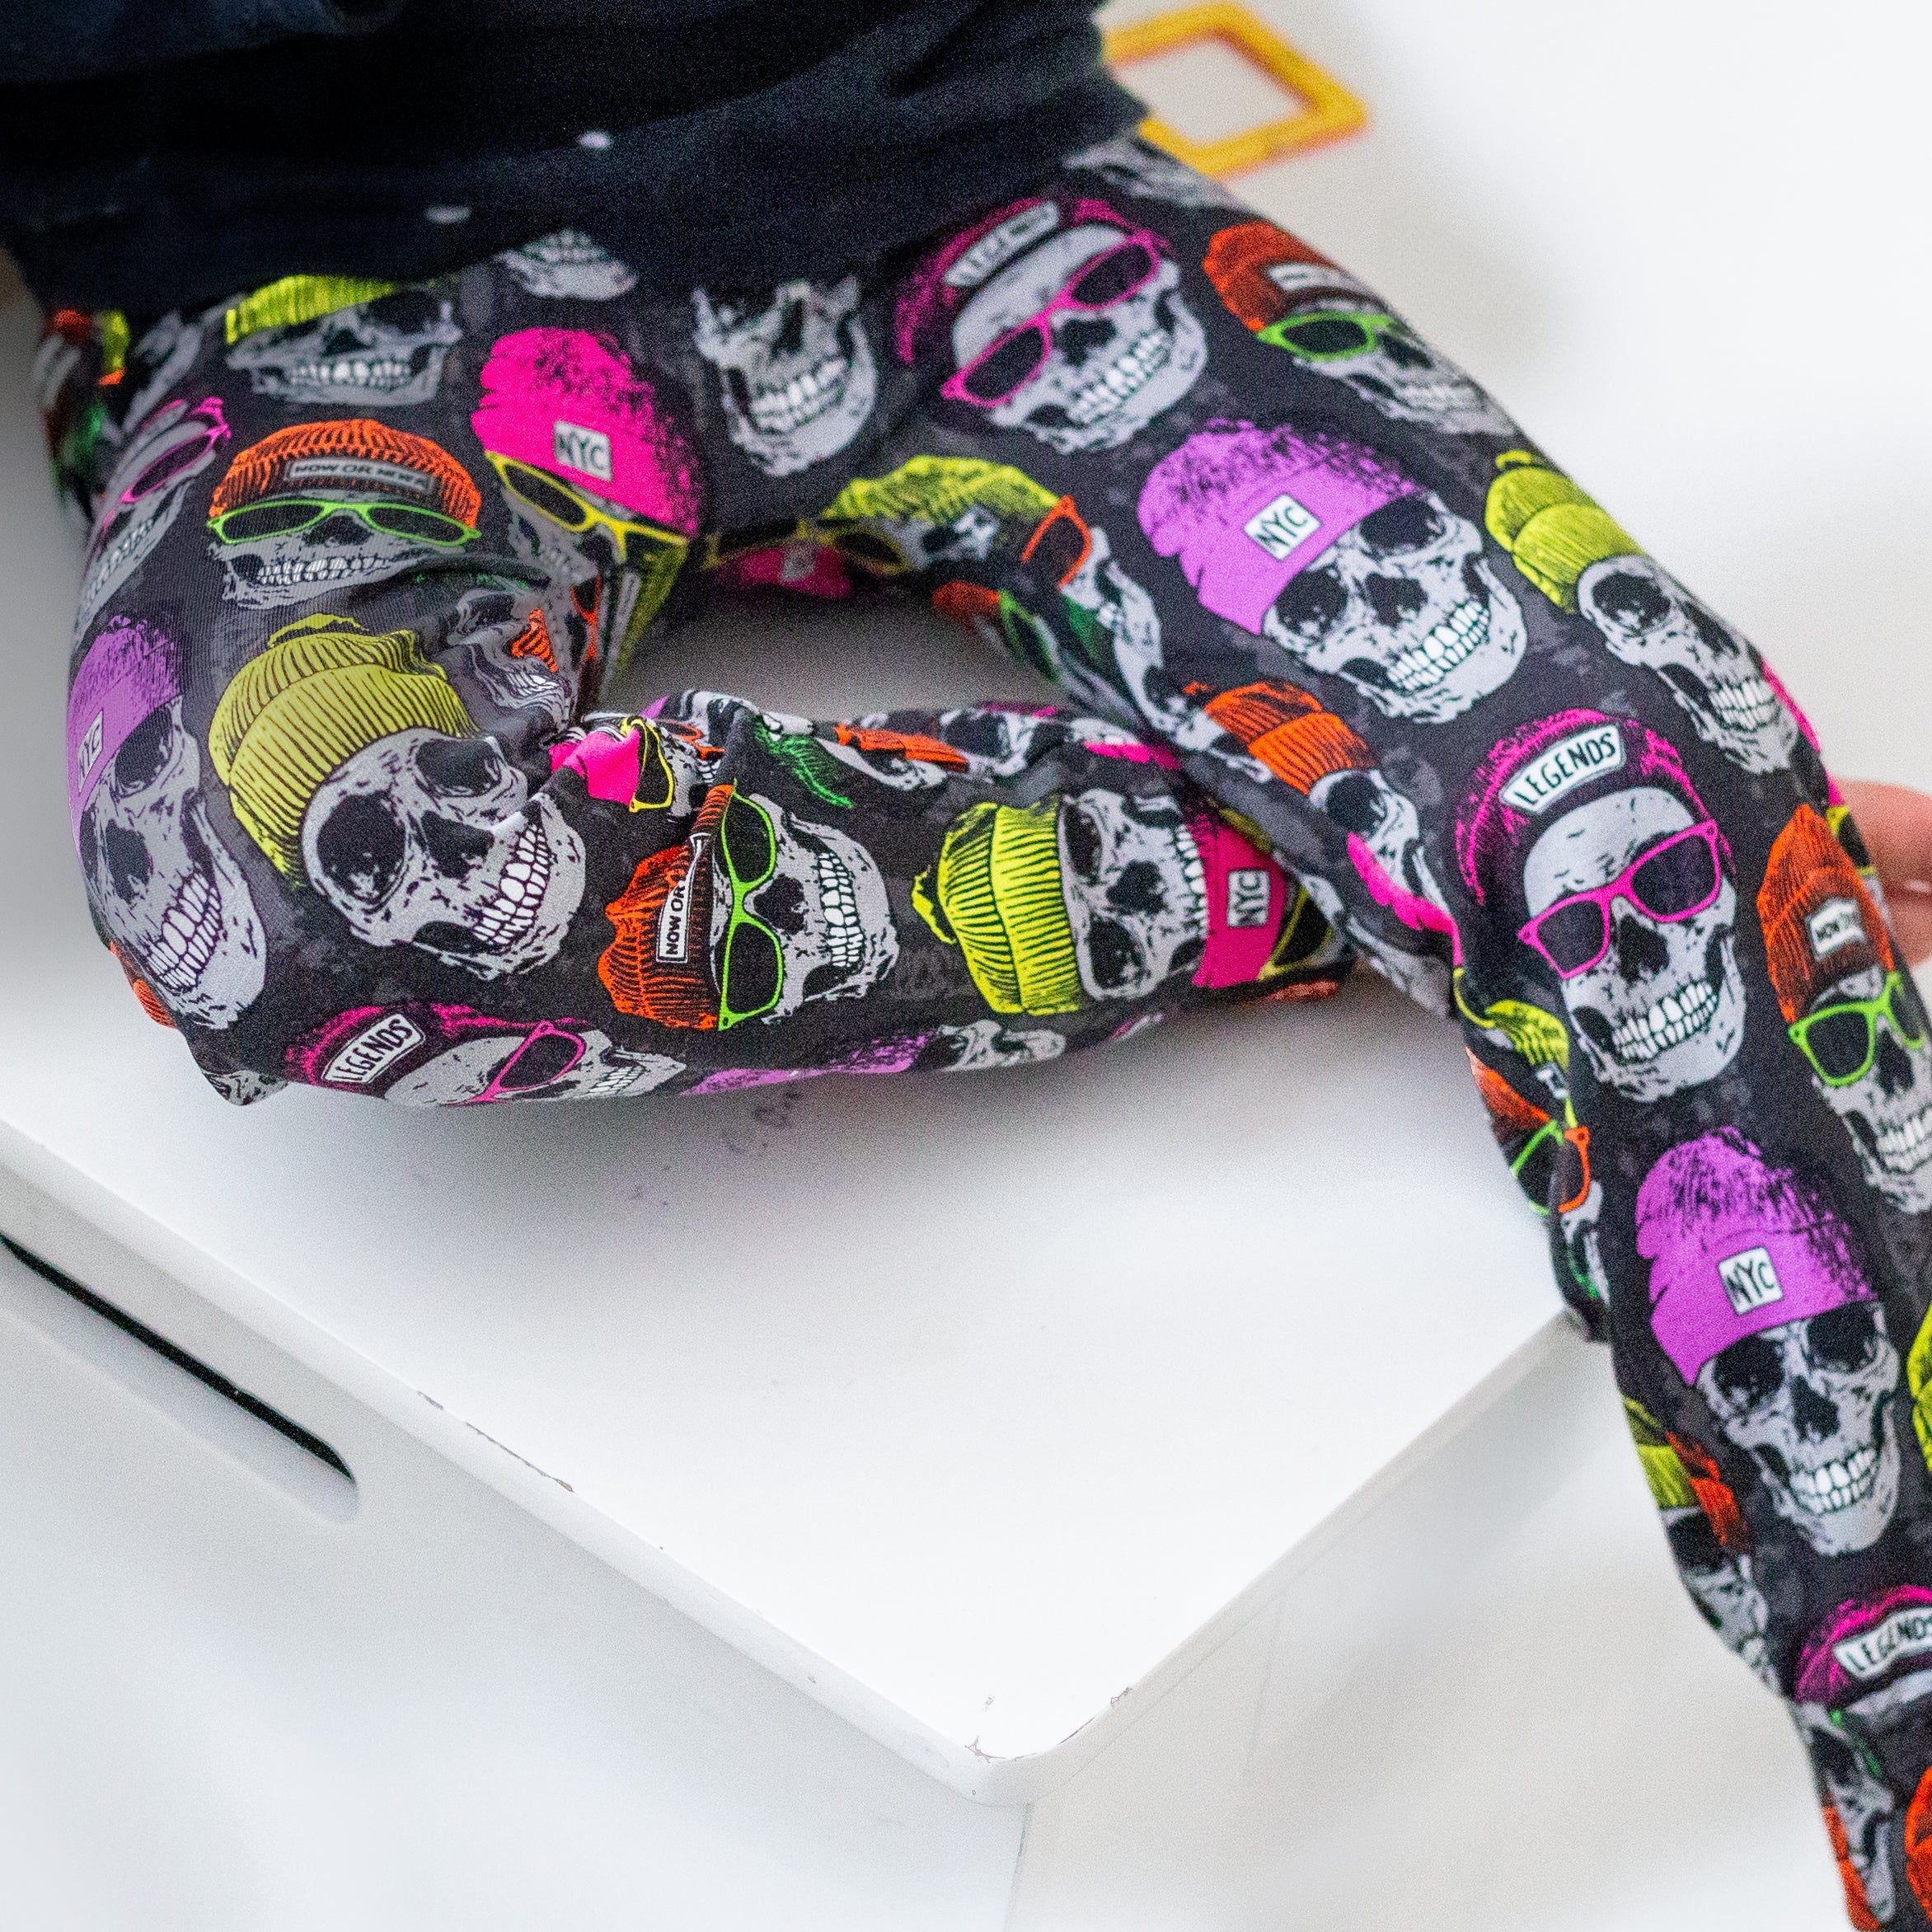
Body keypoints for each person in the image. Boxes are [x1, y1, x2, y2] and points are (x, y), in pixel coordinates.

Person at [9, 2, 1932, 1919]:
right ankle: (1434, 846)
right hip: (294, 275)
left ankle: (1512, 833)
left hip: (955, 167)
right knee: (286, 863)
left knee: (1643, 786)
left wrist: (1563, 812)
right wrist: (1513, 832)